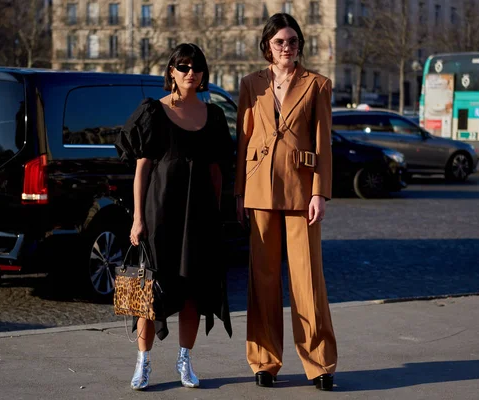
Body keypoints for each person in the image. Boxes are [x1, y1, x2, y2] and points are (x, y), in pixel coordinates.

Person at [115, 43, 233, 391]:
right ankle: (143, 362)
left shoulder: (212, 117)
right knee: (149, 291)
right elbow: (142, 171)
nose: (190, 73)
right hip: (159, 213)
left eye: (196, 67)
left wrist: (216, 216)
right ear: (171, 72)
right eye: (182, 67)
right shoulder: (153, 111)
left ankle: (185, 359)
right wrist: (138, 219)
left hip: (199, 218)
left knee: (193, 292)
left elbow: (216, 172)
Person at [234, 13, 338, 391]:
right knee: (261, 281)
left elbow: (323, 144)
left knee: (308, 280)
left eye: (293, 41)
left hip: (300, 190)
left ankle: (321, 364)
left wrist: (318, 192)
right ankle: (264, 361)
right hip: (259, 188)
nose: (287, 47)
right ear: (267, 46)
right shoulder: (250, 85)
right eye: (280, 42)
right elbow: (243, 142)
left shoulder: (317, 85)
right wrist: (239, 193)